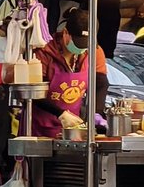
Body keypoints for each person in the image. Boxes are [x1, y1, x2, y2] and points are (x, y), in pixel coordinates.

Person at [32, 8, 108, 138]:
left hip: (73, 128)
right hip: (40, 129)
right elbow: (34, 92)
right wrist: (61, 114)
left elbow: (100, 84)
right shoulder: (44, 52)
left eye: (86, 44)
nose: (82, 49)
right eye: (79, 44)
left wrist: (97, 112)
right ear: (65, 33)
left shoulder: (95, 51)